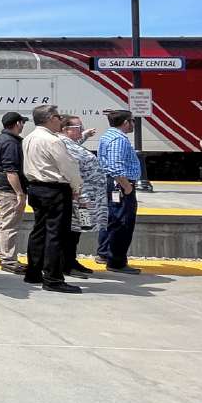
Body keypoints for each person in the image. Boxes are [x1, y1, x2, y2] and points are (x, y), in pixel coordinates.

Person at [21, 104, 83, 294]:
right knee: (56, 234)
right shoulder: (53, 141)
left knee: (39, 231)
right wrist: (76, 186)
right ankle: (53, 278)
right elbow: (68, 167)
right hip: (54, 189)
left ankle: (33, 272)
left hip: (36, 188)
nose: (60, 120)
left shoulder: (29, 138)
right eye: (57, 117)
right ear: (49, 119)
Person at [58, 115, 104, 278]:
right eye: (79, 128)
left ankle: (71, 260)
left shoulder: (69, 143)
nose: (82, 130)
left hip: (84, 199)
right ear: (66, 129)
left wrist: (84, 135)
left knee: (77, 231)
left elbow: (76, 146)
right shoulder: (62, 144)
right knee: (71, 231)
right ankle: (66, 264)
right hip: (77, 198)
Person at [96, 110, 142, 274]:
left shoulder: (108, 135)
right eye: (132, 121)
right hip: (120, 184)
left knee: (111, 218)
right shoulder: (118, 139)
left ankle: (104, 253)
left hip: (113, 184)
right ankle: (116, 261)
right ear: (125, 123)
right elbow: (115, 166)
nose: (134, 124)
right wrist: (127, 187)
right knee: (122, 222)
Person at [0, 112, 29, 275]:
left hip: (2, 188)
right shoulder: (10, 142)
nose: (23, 126)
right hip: (8, 191)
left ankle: (5, 257)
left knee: (6, 224)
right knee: (9, 225)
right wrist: (19, 193)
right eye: (23, 123)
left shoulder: (3, 138)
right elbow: (11, 170)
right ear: (17, 123)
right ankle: (8, 260)